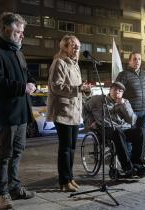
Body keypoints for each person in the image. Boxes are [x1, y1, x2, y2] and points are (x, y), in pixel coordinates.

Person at [0, 12, 36, 209]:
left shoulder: (17, 51)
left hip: (21, 111)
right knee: (4, 154)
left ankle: (14, 187)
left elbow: (27, 74)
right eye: (18, 31)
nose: (22, 35)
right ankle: (1, 193)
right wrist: (23, 88)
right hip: (6, 112)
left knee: (17, 152)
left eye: (22, 32)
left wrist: (32, 83)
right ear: (5, 29)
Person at [46, 35, 91, 192]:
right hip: (63, 111)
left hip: (75, 111)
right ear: (64, 47)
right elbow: (55, 86)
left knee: (71, 147)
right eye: (73, 46)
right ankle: (64, 181)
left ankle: (70, 178)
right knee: (65, 148)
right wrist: (78, 89)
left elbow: (77, 88)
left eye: (78, 45)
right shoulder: (59, 62)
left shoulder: (75, 64)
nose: (77, 48)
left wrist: (84, 90)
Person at [83, 82, 145, 178]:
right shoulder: (97, 99)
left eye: (120, 91)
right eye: (115, 89)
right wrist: (91, 122)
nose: (117, 92)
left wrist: (124, 106)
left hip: (123, 129)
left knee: (140, 132)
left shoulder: (125, 102)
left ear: (122, 94)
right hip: (105, 128)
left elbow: (132, 121)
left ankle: (137, 165)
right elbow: (85, 109)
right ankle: (127, 167)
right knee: (117, 132)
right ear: (110, 90)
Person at [115, 52, 145, 167]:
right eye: (134, 59)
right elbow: (117, 91)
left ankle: (139, 160)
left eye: (139, 59)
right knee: (130, 138)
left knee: (143, 136)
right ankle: (129, 162)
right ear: (129, 61)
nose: (137, 61)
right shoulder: (124, 74)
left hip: (144, 111)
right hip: (131, 111)